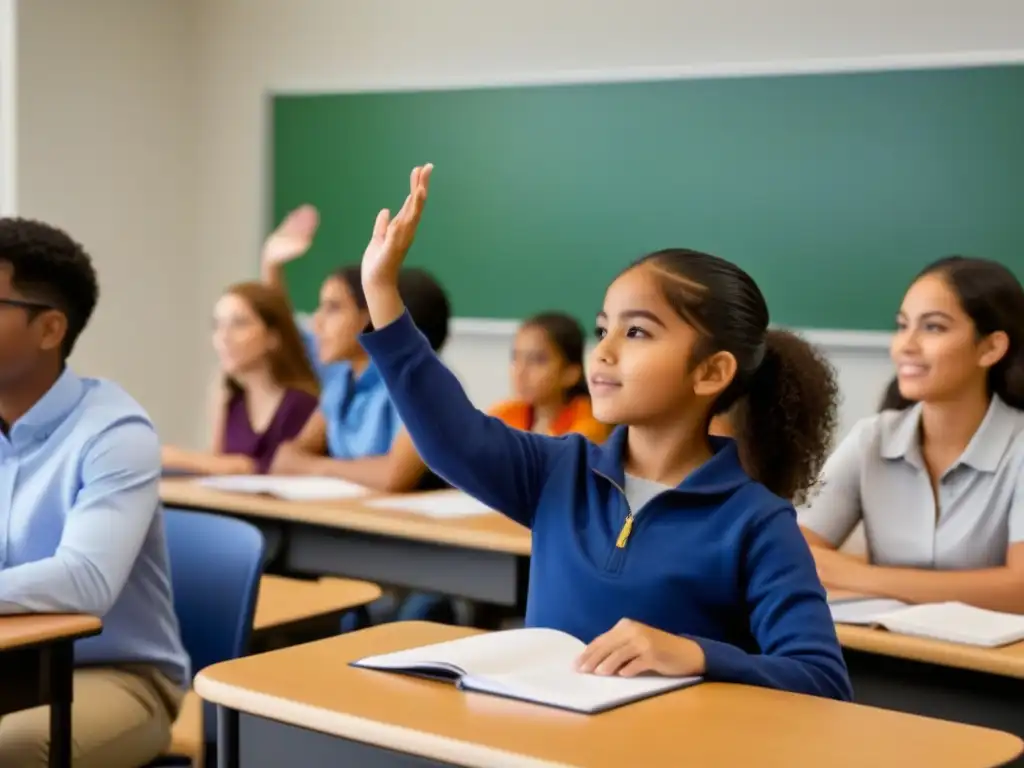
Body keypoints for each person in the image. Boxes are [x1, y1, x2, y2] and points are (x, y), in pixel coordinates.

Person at [353, 164, 851, 700]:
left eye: (636, 331)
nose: (605, 350)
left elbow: (822, 680)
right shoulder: (560, 473)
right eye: (602, 328)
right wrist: (382, 293)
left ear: (711, 372)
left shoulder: (756, 522)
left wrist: (697, 654)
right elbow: (452, 436)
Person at [0, 218, 188, 767]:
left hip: (115, 677)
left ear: (50, 329)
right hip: (13, 663)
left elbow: (85, 580)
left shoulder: (114, 431)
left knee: (11, 752)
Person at [800, 256, 1024, 614]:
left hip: (995, 665)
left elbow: (1019, 590)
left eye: (933, 327)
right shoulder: (871, 438)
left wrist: (862, 575)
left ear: (990, 348)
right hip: (888, 652)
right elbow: (790, 555)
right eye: (902, 325)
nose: (905, 345)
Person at [260, 207, 451, 494]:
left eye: (333, 308)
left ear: (370, 316)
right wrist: (271, 267)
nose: (317, 321)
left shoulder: (421, 383)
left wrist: (320, 467)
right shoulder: (341, 378)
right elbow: (285, 459)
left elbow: (392, 476)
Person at [161, 281, 319, 475]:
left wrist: (176, 457)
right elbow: (217, 462)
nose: (224, 337)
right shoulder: (230, 399)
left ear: (273, 337)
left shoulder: (301, 404)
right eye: (217, 325)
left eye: (239, 324)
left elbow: (262, 469)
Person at [490, 312, 610, 443]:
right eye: (515, 358)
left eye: (537, 360)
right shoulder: (503, 415)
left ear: (570, 373)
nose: (520, 372)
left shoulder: (587, 427)